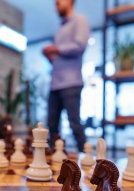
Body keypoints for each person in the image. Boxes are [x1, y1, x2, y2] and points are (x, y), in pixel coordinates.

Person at [43, 0, 89, 152]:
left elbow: (80, 46)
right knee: (51, 125)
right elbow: (60, 56)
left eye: (58, 2)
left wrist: (55, 49)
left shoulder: (79, 20)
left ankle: (88, 163)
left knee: (74, 124)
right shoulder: (59, 29)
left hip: (71, 82)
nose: (55, 5)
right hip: (55, 83)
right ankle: (52, 162)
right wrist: (51, 57)